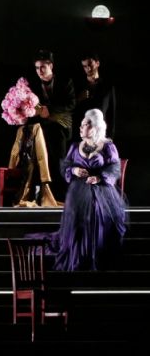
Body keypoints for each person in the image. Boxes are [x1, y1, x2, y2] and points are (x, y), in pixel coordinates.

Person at [49, 108, 127, 270]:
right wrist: (74, 170)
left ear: (95, 127)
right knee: (77, 213)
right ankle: (78, 255)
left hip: (101, 190)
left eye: (85, 125)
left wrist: (99, 177)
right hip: (79, 189)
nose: (80, 127)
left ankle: (95, 255)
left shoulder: (107, 146)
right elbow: (65, 167)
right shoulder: (75, 146)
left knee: (95, 210)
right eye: (81, 124)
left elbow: (115, 168)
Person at [10, 50, 75, 207]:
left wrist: (49, 110)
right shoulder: (32, 84)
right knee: (38, 162)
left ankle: (60, 198)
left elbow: (71, 104)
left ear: (51, 66)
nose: (39, 71)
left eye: (43, 67)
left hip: (60, 129)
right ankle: (41, 197)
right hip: (40, 130)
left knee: (58, 162)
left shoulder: (65, 82)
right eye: (37, 68)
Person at [73, 51, 116, 139]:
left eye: (90, 65)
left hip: (101, 135)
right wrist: (78, 99)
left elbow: (111, 115)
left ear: (97, 63)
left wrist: (110, 137)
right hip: (82, 135)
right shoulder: (78, 87)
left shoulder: (108, 87)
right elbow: (71, 110)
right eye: (85, 66)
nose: (88, 68)